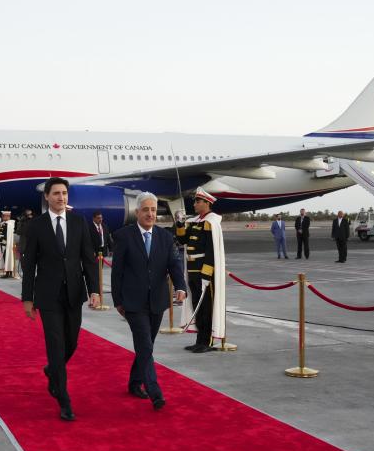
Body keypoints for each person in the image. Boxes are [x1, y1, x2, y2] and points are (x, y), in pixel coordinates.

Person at [21, 178, 100, 421]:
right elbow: (29, 264)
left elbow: (87, 259)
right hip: (48, 295)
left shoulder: (78, 221)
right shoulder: (36, 226)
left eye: (64, 193)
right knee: (55, 345)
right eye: (56, 193)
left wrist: (94, 290)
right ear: (47, 196)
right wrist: (27, 298)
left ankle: (51, 370)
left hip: (74, 293)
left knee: (72, 343)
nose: (61, 198)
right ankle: (63, 399)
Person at [111, 192, 187, 409]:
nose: (150, 214)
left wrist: (181, 286)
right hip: (133, 303)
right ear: (137, 213)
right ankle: (154, 391)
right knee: (144, 345)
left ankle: (134, 382)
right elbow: (117, 273)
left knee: (147, 345)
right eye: (146, 210)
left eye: (153, 210)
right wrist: (118, 301)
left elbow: (173, 264)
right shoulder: (124, 236)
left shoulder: (164, 237)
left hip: (157, 301)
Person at [175, 188, 226, 353]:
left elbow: (211, 250)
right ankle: (199, 340)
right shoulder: (195, 221)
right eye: (195, 201)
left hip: (204, 272)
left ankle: (207, 341)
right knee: (197, 305)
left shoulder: (211, 222)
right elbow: (182, 240)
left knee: (206, 308)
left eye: (198, 201)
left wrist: (206, 273)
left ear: (207, 203)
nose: (195, 204)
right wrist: (180, 224)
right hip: (192, 269)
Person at [0, 210, 15, 278]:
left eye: (3, 216)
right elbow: (0, 231)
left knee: (7, 258)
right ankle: (7, 272)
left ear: (8, 216)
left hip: (6, 244)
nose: (2, 217)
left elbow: (5, 234)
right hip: (3, 243)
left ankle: (8, 272)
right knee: (5, 258)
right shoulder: (5, 223)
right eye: (2, 216)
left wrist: (4, 244)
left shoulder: (8, 224)